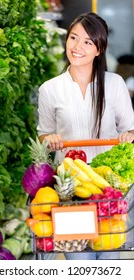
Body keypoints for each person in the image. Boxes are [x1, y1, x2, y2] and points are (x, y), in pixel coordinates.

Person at [36, 12, 134, 259]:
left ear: (99, 49)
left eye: (88, 42)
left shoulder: (115, 84)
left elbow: (130, 128)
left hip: (109, 189)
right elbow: (42, 135)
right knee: (79, 261)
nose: (77, 47)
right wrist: (49, 140)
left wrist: (128, 135)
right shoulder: (50, 89)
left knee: (110, 259)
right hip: (71, 193)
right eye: (73, 38)